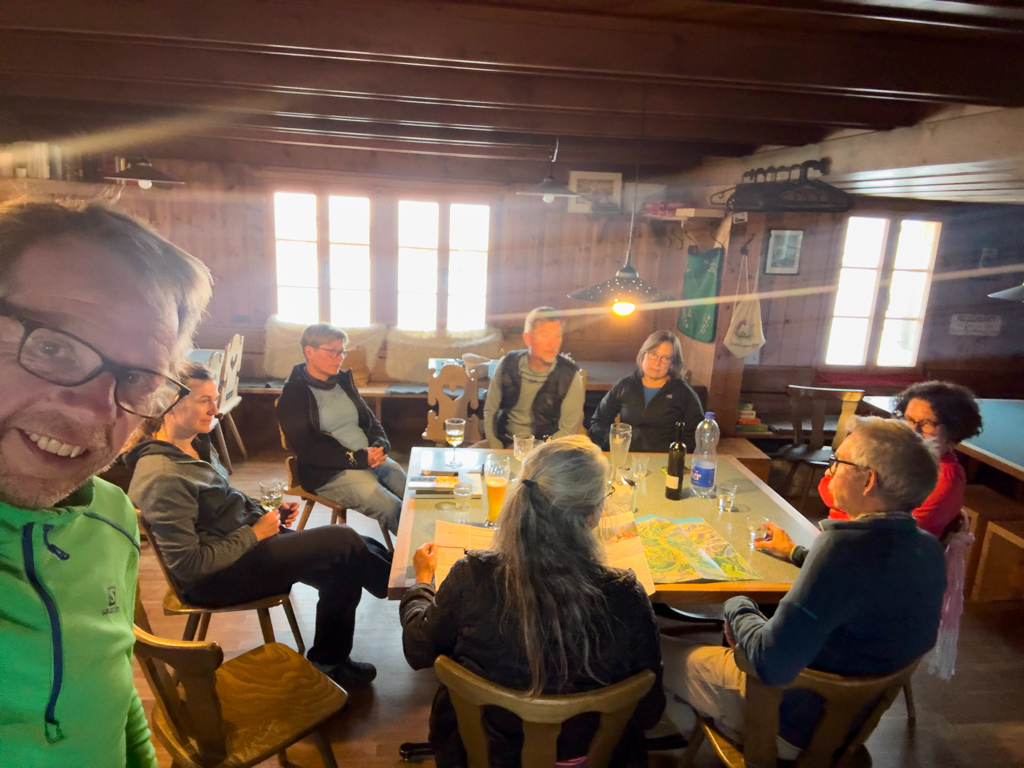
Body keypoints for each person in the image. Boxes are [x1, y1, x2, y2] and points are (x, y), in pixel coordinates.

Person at [0, 198, 212, 767]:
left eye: (135, 377)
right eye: (53, 347)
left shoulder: (111, 516)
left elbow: (114, 695)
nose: (96, 409)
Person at [662, 417, 946, 759]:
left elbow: (770, 662)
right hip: (852, 720)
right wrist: (795, 552)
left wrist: (735, 600)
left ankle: (644, 734)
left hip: (785, 723)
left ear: (868, 480)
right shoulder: (928, 548)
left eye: (838, 462)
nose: (828, 473)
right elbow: (862, 576)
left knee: (653, 646)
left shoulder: (840, 548)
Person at [401, 436, 664, 767]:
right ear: (594, 515)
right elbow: (651, 710)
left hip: (488, 753)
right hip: (595, 756)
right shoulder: (627, 595)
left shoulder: (472, 576)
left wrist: (423, 582)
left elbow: (417, 648)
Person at [125, 362, 392, 689]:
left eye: (215, 399)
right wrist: (254, 532)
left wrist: (264, 514)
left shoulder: (193, 444)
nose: (216, 410)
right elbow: (190, 567)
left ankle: (330, 663)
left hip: (246, 549)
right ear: (166, 405)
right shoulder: (162, 477)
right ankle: (406, 594)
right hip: (216, 579)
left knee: (346, 562)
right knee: (344, 539)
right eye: (203, 401)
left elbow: (221, 503)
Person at [764, 381, 984, 566]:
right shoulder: (898, 456)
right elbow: (827, 489)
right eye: (908, 419)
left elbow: (883, 538)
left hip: (874, 568)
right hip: (843, 547)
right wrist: (851, 501)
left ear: (954, 430)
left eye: (927, 424)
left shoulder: (943, 479)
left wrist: (796, 551)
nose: (913, 430)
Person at [276, 323, 406, 534]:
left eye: (341, 352)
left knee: (414, 495)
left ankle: (439, 548)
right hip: (329, 472)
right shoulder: (293, 395)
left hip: (368, 457)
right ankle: (418, 560)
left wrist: (380, 446)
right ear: (309, 351)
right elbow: (309, 451)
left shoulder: (343, 381)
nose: (340, 358)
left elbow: (370, 420)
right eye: (333, 352)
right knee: (392, 507)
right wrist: (360, 458)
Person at [484, 306, 584, 448]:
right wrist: (497, 451)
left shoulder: (569, 375)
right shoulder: (506, 364)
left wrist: (529, 451)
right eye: (545, 335)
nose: (553, 343)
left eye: (558, 336)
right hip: (504, 443)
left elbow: (567, 431)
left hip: (547, 451)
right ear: (528, 338)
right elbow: (490, 411)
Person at [589, 330, 703, 452]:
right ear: (643, 354)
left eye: (665, 358)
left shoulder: (684, 392)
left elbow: (698, 435)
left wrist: (675, 455)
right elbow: (598, 422)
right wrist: (613, 444)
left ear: (672, 364)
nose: (657, 362)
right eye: (652, 354)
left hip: (665, 462)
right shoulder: (625, 385)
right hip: (626, 458)